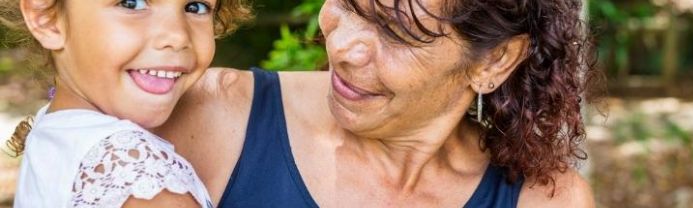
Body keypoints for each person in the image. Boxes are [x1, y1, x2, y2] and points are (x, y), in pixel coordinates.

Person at [156, 0, 599, 207]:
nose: (344, 47)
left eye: (396, 32)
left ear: (495, 60)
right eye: (347, 5)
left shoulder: (545, 201)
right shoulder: (210, 117)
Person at [2, 0, 250, 207]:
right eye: (133, 3)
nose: (177, 37)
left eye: (196, 7)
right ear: (48, 19)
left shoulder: (56, 130)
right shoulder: (141, 181)